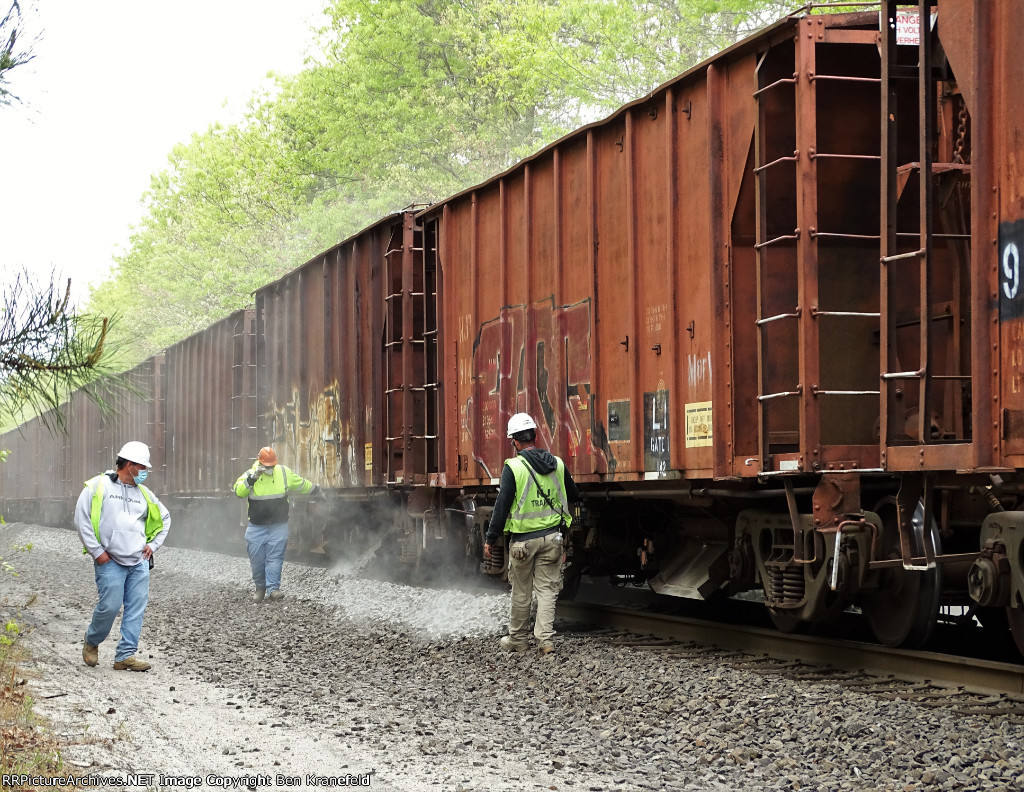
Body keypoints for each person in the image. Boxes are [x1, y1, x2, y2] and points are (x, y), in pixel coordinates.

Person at [483, 413, 578, 654]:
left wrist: (491, 538)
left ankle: (518, 640)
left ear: (514, 440)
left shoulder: (513, 467)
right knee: (547, 591)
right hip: (552, 539)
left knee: (522, 591)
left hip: (523, 542)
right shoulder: (557, 464)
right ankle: (545, 642)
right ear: (534, 436)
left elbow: (501, 506)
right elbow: (575, 495)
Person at [75, 441, 170, 672]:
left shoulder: (145, 494)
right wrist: (98, 553)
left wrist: (153, 545)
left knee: (136, 608)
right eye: (142, 467)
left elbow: (165, 518)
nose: (145, 472)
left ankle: (125, 656)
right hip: (110, 561)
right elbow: (81, 519)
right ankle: (92, 641)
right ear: (129, 465)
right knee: (109, 606)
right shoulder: (98, 486)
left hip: (138, 562)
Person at [233, 446, 321, 603]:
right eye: (267, 466)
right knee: (257, 560)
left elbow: (300, 484)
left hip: (278, 525)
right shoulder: (250, 475)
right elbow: (239, 491)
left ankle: (273, 589)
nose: (269, 469)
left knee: (275, 558)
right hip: (256, 527)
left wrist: (315, 490)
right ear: (259, 463)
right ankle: (260, 588)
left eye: (271, 466)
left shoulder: (283, 473)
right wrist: (252, 478)